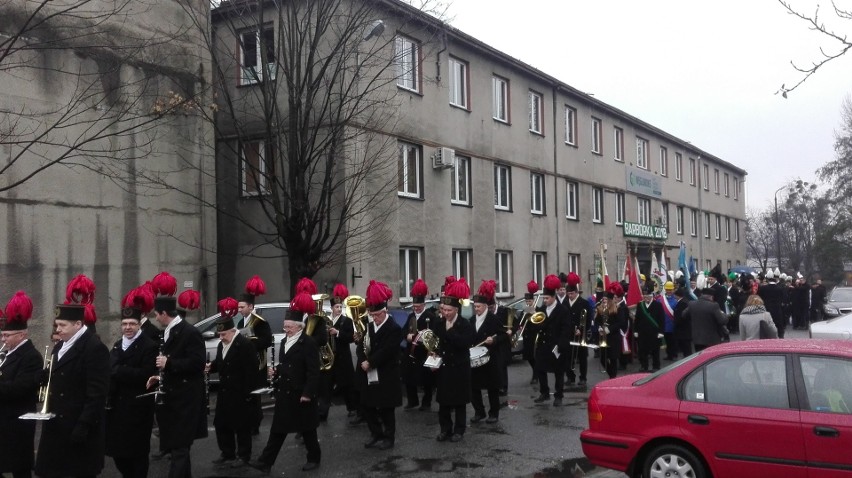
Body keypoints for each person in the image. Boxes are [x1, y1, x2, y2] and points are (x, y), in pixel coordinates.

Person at [35, 303, 110, 478]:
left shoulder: (94, 348)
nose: (58, 330)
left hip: (77, 426)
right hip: (56, 425)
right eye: (57, 325)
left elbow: (97, 394)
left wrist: (83, 425)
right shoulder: (60, 346)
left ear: (78, 324)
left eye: (63, 325)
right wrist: (44, 376)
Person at [145, 274, 207, 478]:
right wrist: (159, 375)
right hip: (173, 396)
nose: (155, 317)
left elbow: (197, 363)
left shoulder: (189, 332)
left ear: (164, 313)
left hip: (186, 398)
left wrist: (169, 363)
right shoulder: (168, 331)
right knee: (177, 447)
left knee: (180, 446)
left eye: (156, 313)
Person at [250, 296, 321, 473]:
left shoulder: (308, 343)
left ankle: (314, 458)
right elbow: (289, 364)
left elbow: (313, 371)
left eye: (289, 327)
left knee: (308, 429)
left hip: (301, 393)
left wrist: (308, 393)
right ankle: (266, 462)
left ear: (299, 327)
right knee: (278, 429)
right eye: (285, 326)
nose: (286, 330)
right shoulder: (283, 342)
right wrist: (278, 370)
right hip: (285, 392)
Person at [106, 299, 159, 478]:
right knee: (118, 453)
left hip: (138, 407)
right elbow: (109, 369)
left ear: (139, 325)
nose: (128, 327)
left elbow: (144, 374)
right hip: (118, 408)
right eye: (124, 324)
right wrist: (122, 371)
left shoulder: (149, 346)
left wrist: (119, 370)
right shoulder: (117, 344)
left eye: (132, 324)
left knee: (137, 454)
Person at [207, 297, 258, 467]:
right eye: (219, 335)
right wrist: (211, 367)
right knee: (221, 423)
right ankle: (227, 452)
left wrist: (249, 393)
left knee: (242, 426)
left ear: (232, 331)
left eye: (223, 334)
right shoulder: (223, 344)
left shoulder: (244, 345)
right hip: (225, 391)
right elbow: (222, 361)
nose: (221, 338)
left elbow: (251, 370)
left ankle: (243, 456)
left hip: (240, 392)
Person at [0, 291, 43, 478]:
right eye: (2, 335)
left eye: (7, 336)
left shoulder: (31, 356)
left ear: (22, 334)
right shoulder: (6, 354)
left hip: (17, 421)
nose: (3, 340)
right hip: (5, 419)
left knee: (20, 468)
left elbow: (19, 389)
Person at [357, 280, 403, 450]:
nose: (374, 318)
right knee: (367, 406)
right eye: (372, 315)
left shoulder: (394, 328)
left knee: (386, 408)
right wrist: (362, 359)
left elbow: (388, 350)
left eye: (377, 315)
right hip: (369, 372)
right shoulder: (369, 327)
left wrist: (371, 362)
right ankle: (376, 433)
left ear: (385, 312)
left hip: (386, 373)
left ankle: (389, 438)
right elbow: (361, 346)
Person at [433, 278, 474, 442]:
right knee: (443, 402)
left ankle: (459, 430)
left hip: (459, 367)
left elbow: (464, 344)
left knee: (459, 402)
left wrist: (451, 332)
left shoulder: (465, 325)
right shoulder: (438, 323)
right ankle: (445, 429)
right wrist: (434, 354)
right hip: (444, 368)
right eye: (444, 309)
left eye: (449, 310)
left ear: (456, 310)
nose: (445, 313)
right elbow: (437, 342)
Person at [237, 276, 273, 434]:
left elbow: (266, 340)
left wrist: (250, 343)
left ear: (251, 307)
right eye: (238, 307)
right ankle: (248, 421)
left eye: (242, 307)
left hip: (258, 362)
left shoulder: (260, 322)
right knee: (246, 394)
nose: (239, 310)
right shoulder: (240, 323)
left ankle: (256, 423)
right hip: (245, 363)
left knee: (255, 395)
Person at [469, 280, 506, 424]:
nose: (476, 309)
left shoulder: (493, 319)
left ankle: (494, 413)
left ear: (485, 306)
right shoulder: (471, 320)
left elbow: (503, 335)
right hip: (475, 359)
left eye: (478, 306)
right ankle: (479, 412)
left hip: (491, 358)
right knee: (474, 387)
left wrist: (494, 340)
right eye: (475, 306)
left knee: (492, 388)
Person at [533, 274, 570, 407]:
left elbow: (566, 329)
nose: (545, 301)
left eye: (547, 298)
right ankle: (544, 393)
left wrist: (561, 344)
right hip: (543, 344)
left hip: (556, 345)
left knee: (558, 372)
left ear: (554, 298)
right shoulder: (542, 310)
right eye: (544, 298)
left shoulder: (562, 310)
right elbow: (537, 326)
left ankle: (559, 395)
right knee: (540, 369)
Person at [403, 279, 437, 411]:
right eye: (414, 306)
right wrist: (407, 335)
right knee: (408, 377)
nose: (416, 308)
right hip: (411, 351)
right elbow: (404, 330)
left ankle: (426, 402)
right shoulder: (411, 316)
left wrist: (425, 340)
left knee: (426, 379)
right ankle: (412, 401)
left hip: (424, 351)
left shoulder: (430, 316)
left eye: (418, 306)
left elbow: (434, 334)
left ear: (423, 304)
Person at [328, 283, 357, 416]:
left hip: (343, 357)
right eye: (336, 307)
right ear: (332, 308)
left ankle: (352, 408)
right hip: (330, 357)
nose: (339, 309)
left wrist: (338, 333)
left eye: (340, 307)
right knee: (327, 384)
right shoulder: (328, 321)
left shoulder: (346, 321)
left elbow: (351, 337)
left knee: (347, 384)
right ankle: (323, 410)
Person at [563, 272, 589, 387]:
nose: (570, 296)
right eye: (568, 293)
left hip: (580, 334)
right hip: (568, 333)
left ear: (577, 292)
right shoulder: (564, 302)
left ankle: (583, 377)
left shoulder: (584, 303)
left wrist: (582, 329)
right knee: (568, 357)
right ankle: (570, 377)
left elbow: (588, 319)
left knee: (582, 357)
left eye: (572, 293)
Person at [596, 283, 627, 379]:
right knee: (602, 359)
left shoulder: (618, 309)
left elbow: (621, 323)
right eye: (603, 299)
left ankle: (613, 377)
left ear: (610, 300)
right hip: (603, 338)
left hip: (613, 338)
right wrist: (600, 327)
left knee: (613, 359)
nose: (604, 301)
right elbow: (597, 321)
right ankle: (611, 375)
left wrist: (609, 329)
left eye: (605, 300)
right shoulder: (600, 309)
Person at [634, 284, 664, 372]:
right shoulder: (640, 305)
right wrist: (636, 330)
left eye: (647, 296)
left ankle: (656, 366)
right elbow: (637, 319)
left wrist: (661, 332)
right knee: (643, 351)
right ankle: (644, 366)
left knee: (655, 351)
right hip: (642, 332)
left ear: (652, 296)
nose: (645, 297)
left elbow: (661, 320)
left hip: (654, 332)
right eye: (644, 296)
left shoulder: (658, 305)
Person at [520, 280, 539, 384]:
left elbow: (540, 322)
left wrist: (534, 313)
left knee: (534, 357)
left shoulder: (538, 309)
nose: (528, 303)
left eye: (530, 301)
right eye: (526, 302)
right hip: (526, 336)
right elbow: (520, 322)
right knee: (529, 358)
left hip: (534, 336)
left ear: (533, 300)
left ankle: (536, 376)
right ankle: (535, 373)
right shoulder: (525, 310)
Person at [758, 270, 785, 338]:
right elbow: (783, 298)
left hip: (766, 309)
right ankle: (780, 336)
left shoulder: (763, 288)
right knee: (778, 324)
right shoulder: (780, 288)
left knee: (767, 324)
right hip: (777, 309)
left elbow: (759, 298)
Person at [672, 287, 693, 357]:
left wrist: (675, 324)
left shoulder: (682, 303)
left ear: (677, 295)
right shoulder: (684, 301)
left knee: (686, 349)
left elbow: (681, 316)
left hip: (683, 330)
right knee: (686, 348)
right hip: (684, 330)